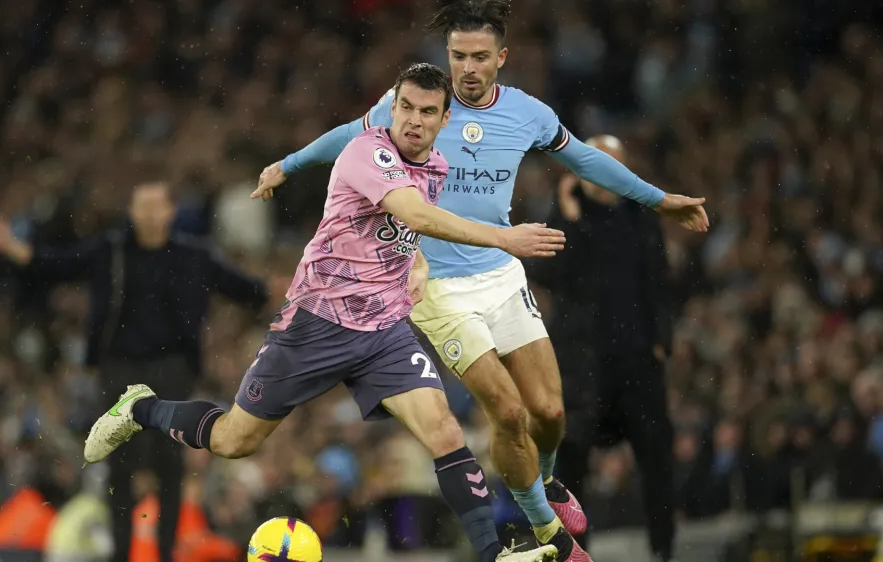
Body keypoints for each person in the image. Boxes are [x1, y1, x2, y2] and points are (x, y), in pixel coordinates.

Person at [253, 1, 708, 560]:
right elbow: (347, 135)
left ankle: (544, 481)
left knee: (550, 413)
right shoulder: (417, 108)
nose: (467, 67)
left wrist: (659, 200)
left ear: (501, 58)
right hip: (435, 289)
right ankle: (547, 529)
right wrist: (288, 164)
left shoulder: (527, 114)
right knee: (508, 412)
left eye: (479, 57)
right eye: (457, 55)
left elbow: (586, 160)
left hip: (500, 275)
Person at [83, 63, 563, 562]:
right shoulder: (367, 151)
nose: (413, 120)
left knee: (444, 429)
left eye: (427, 112)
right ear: (391, 107)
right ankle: (139, 407)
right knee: (233, 440)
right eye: (405, 107)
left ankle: (495, 554)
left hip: (384, 331)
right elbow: (414, 213)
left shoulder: (436, 167)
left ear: (444, 121)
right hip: (316, 324)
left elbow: (408, 227)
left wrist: (417, 263)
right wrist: (504, 238)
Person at [0, 182, 271, 562]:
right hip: (120, 367)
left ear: (170, 211)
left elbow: (241, 287)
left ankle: (163, 554)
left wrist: (285, 289)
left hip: (173, 368)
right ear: (132, 212)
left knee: (169, 463)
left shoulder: (193, 255)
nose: (149, 214)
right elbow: (55, 265)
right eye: (141, 206)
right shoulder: (111, 250)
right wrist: (9, 246)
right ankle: (121, 554)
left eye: (156, 206)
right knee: (120, 464)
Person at [538, 135, 678, 562]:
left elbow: (658, 283)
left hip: (636, 360)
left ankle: (663, 550)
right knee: (572, 465)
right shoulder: (564, 216)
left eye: (613, 165)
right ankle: (575, 554)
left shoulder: (641, 215)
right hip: (583, 365)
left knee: (657, 456)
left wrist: (661, 345)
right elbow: (551, 275)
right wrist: (570, 217)